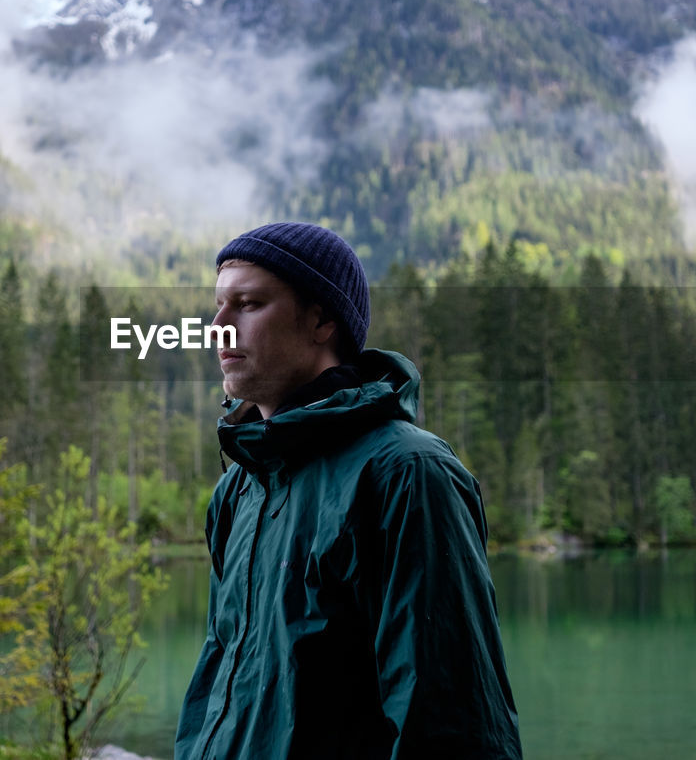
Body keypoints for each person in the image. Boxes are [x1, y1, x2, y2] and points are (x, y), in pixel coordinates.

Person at [175, 222, 522, 760]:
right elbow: (216, 685)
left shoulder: (409, 474)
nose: (218, 327)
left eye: (248, 304)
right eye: (218, 306)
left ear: (322, 320)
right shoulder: (238, 490)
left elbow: (453, 723)